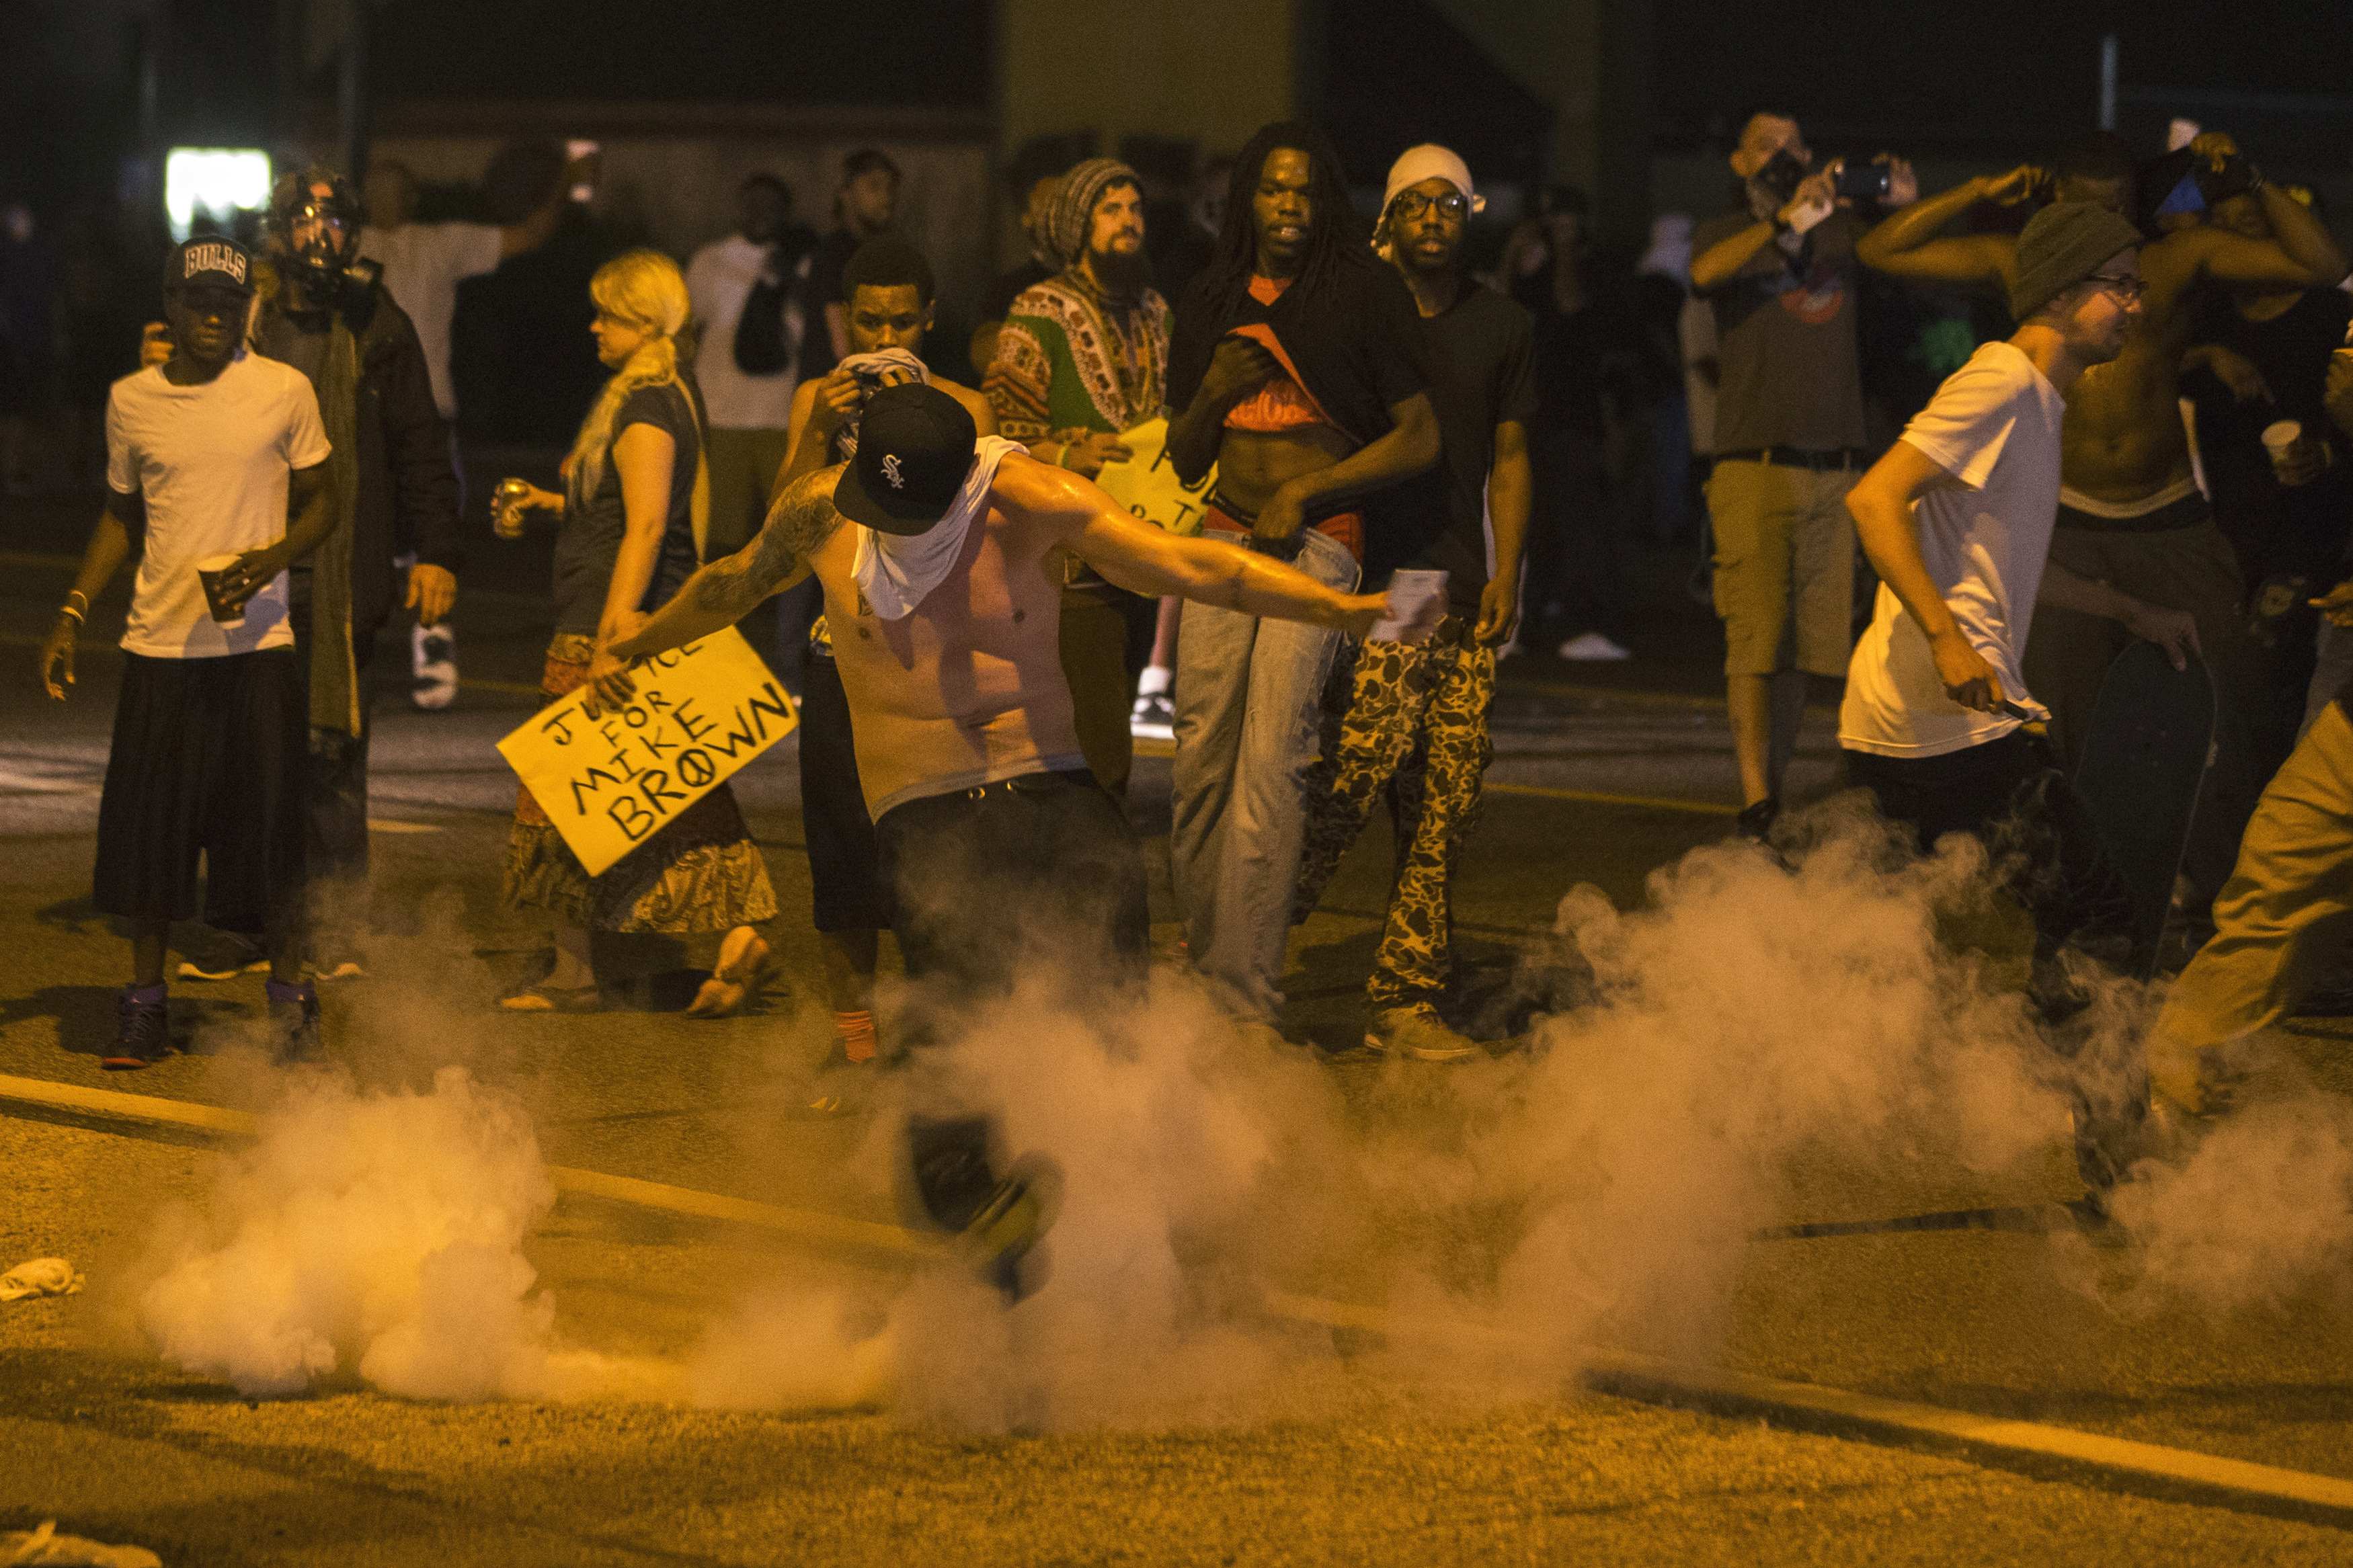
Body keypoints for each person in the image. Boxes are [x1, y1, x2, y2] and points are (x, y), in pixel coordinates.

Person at [600, 382, 1424, 1288]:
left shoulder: (1029, 498)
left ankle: (1155, 1245)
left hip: (1052, 796)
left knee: (1113, 1031)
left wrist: (1342, 609)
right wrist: (635, 640)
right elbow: (728, 584)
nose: (898, 528)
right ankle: (1000, 1251)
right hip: (929, 814)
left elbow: (1197, 568)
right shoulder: (821, 510)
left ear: (960, 485)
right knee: (948, 1061)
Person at [1857, 131, 2348, 942]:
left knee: (2225, 703)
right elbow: (1880, 247)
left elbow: (2322, 265)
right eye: (2082, 214)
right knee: (2065, 731)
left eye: (2116, 209)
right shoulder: (2017, 303)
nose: (2105, 229)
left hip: (2165, 514)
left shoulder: (2168, 262)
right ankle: (2086, 918)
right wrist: (1981, 179)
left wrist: (2247, 179)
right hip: (2070, 521)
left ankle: (2219, 902)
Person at [1840, 203, 2150, 1183]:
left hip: (1917, 725)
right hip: (1951, 726)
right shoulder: (2001, 378)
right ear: (2061, 292)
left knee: (1854, 946)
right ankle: (2112, 1164)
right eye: (2119, 284)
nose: (2135, 305)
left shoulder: (2040, 400)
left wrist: (2127, 610)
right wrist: (1947, 637)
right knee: (2099, 916)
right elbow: (1872, 498)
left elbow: (2001, 554)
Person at [149, 169, 463, 983]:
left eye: (337, 227)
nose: (323, 242)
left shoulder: (375, 322)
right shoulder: (239, 310)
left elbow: (419, 443)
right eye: (308, 225)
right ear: (276, 229)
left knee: (329, 754)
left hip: (337, 567)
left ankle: (330, 926)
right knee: (231, 754)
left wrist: (436, 551)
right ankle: (242, 923)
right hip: (239, 562)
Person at [1162, 121, 1441, 1022]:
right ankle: (1206, 967)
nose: (1290, 208)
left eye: (1305, 192)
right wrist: (1212, 389)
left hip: (1322, 539)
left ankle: (1249, 989)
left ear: (1327, 201)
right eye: (1274, 190)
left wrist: (1310, 491)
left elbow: (1420, 435)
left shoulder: (1362, 292)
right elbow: (1182, 456)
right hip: (1222, 531)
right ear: (1246, 196)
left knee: (1274, 757)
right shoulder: (1208, 296)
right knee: (1202, 753)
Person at [36, 238, 337, 1066]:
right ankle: (143, 1009)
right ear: (170, 303)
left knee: (272, 838)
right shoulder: (131, 401)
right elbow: (119, 516)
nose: (214, 316)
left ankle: (290, 1005)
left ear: (248, 308)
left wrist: (266, 563)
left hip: (258, 649)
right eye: (198, 301)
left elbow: (323, 503)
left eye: (228, 303)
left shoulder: (284, 390)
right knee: (149, 843)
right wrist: (72, 609)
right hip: (160, 649)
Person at [1291, 145, 1534, 1061]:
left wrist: (1510, 569)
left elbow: (1510, 459)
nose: (1434, 218)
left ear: (1470, 215)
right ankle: (1247, 950)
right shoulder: (1362, 313)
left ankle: (1406, 995)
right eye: (1416, 204)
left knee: (1447, 790)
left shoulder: (1501, 323)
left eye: (1449, 204)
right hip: (1385, 578)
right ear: (1387, 218)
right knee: (1360, 767)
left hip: (1456, 582)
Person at [493, 251, 777, 1015]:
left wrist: (614, 634)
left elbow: (650, 524)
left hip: (608, 621)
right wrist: (551, 505)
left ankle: (573, 973)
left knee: (557, 799)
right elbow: (628, 509)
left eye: (607, 314)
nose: (593, 327)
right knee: (681, 793)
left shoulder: (647, 403)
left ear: (646, 323)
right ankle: (740, 932)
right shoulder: (660, 392)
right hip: (635, 616)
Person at [766, 235, 996, 1087]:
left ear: (929, 319)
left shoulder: (966, 405)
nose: (884, 335)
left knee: (937, 855)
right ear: (845, 320)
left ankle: (938, 1036)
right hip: (840, 651)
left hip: (931, 661)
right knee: (839, 853)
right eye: (869, 320)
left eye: (901, 319)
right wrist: (821, 431)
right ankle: (855, 1037)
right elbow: (778, 539)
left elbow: (982, 534)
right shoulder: (815, 401)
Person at [1688, 110, 1916, 837]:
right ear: (1737, 162)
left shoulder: (1840, 234)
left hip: (1835, 468)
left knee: (1802, 650)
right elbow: (1703, 275)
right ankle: (1754, 797)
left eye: (1792, 146)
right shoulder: (1727, 234)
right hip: (1753, 465)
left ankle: (1769, 796)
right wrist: (1788, 221)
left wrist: (1899, 202)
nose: (1779, 156)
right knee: (1754, 638)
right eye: (1763, 145)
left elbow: (1908, 259)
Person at [358, 150, 586, 708]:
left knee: (429, 533)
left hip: (429, 413)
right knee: (359, 530)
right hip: (358, 412)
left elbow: (527, 235)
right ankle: (353, 653)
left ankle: (432, 650)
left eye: (394, 186)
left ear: (412, 197)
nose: (383, 197)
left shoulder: (440, 242)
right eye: (374, 187)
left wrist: (565, 185)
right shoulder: (345, 245)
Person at [984, 156, 1172, 797]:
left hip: (1140, 553)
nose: (1129, 221)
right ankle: (1094, 867)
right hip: (1071, 563)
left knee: (1111, 711)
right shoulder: (1038, 309)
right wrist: (1067, 454)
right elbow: (1000, 433)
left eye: (1135, 208)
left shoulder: (1154, 311)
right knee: (1095, 736)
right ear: (1076, 222)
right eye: (1110, 208)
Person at [685, 173, 806, 564]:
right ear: (739, 208)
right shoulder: (711, 260)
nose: (761, 213)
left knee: (787, 531)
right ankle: (721, 619)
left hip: (780, 417)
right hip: (722, 414)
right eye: (753, 204)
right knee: (722, 536)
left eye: (771, 206)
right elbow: (685, 329)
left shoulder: (800, 265)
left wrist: (790, 281)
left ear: (784, 213)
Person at [800, 149, 900, 382]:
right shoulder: (834, 253)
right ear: (846, 194)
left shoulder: (881, 253)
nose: (886, 198)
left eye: (891, 188)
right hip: (839, 390)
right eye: (874, 187)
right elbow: (841, 340)